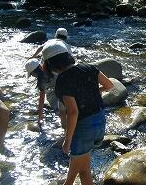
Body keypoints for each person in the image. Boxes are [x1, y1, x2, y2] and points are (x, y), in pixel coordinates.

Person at [42, 40, 114, 185]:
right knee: (83, 168)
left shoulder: (62, 80)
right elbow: (109, 85)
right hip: (100, 122)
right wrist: (95, 92)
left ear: (50, 64)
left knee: (79, 164)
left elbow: (73, 112)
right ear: (67, 55)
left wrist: (67, 141)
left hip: (83, 128)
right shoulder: (89, 67)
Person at [25, 58, 66, 128]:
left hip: (62, 96)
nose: (32, 76)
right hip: (67, 89)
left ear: (34, 74)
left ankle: (65, 130)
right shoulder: (51, 67)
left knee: (62, 117)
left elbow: (41, 99)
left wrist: (40, 117)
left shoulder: (41, 81)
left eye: (32, 74)